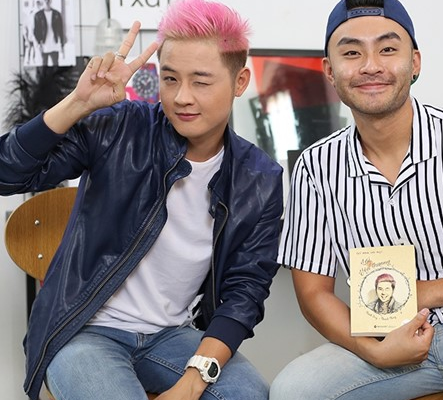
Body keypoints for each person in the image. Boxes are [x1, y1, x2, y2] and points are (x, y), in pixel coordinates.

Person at [0, 0, 283, 399]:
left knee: (249, 394)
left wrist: (192, 382)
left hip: (171, 336)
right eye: (170, 79)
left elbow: (245, 290)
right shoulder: (120, 127)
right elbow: (7, 173)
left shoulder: (260, 178)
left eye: (201, 82)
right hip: (82, 329)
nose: (182, 97)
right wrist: (78, 103)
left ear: (240, 82)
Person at [270, 0, 443, 399]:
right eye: (351, 53)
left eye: (388, 49)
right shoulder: (314, 167)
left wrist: (425, 291)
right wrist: (371, 350)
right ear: (329, 70)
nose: (370, 65)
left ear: (415, 62)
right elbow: (313, 293)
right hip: (385, 338)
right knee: (293, 390)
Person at [33, 0, 64, 66]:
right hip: (44, 44)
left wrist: (62, 43)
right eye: (45, 1)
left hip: (54, 43)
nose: (47, 2)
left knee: (55, 64)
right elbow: (36, 31)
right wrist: (39, 42)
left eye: (48, 1)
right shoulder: (38, 15)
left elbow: (61, 29)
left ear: (51, 1)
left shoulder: (57, 14)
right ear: (43, 2)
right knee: (44, 64)